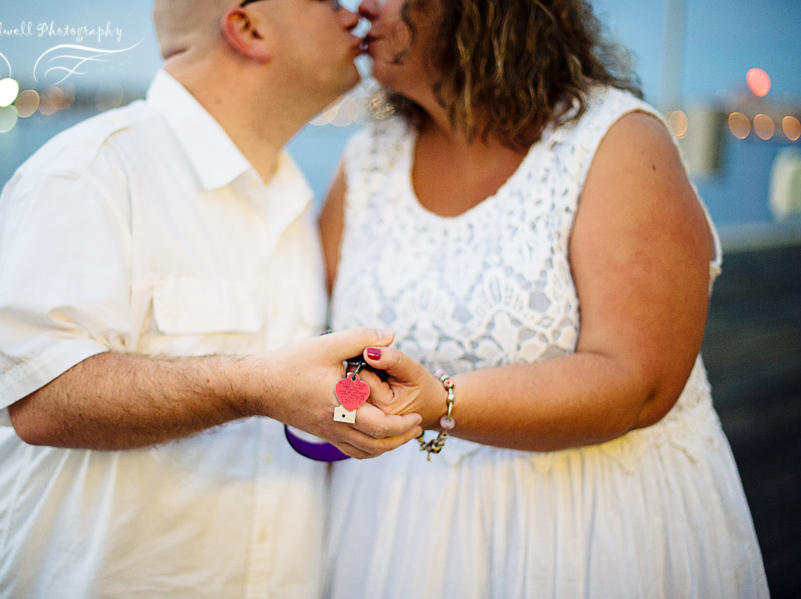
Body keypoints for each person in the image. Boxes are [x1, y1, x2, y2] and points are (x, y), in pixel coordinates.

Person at [0, 1, 424, 597]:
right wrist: (260, 386)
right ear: (247, 27)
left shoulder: (295, 205)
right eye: (324, 0)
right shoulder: (90, 173)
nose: (351, 13)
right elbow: (41, 399)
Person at [319, 0, 770, 597]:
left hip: (581, 537)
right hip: (395, 538)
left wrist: (439, 399)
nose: (361, 5)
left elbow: (640, 381)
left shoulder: (617, 142)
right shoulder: (368, 160)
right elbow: (318, 336)